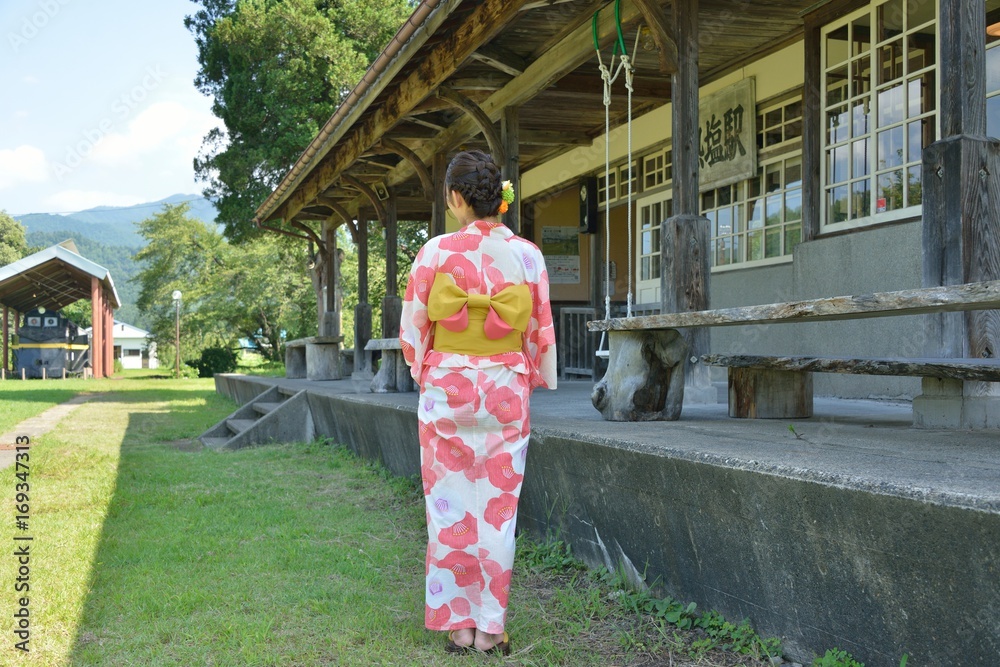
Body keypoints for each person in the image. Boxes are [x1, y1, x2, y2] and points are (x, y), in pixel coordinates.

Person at [399, 150, 557, 656]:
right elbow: (538, 331)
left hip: (448, 385)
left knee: (446, 505)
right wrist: (522, 371)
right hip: (504, 385)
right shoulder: (528, 256)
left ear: (456, 198)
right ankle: (491, 628)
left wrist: (428, 367)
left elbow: (413, 329)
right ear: (498, 198)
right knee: (498, 508)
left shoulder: (434, 253)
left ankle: (458, 626)